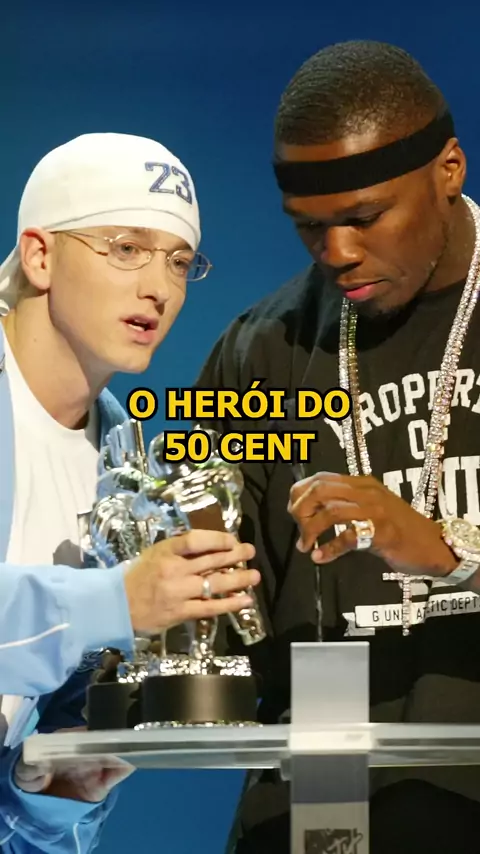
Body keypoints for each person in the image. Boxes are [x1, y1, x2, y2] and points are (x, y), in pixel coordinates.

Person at [196, 40, 480, 854]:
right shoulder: (260, 349)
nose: (338, 253)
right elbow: (219, 626)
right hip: (317, 811)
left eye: (363, 217)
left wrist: (447, 552)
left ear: (448, 169)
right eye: (309, 228)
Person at [0, 131, 260, 853]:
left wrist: (52, 799)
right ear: (40, 255)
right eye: (126, 249)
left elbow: (34, 826)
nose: (160, 288)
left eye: (179, 261)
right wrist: (113, 601)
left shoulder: (121, 459)